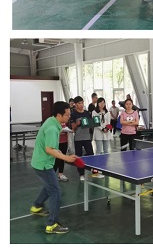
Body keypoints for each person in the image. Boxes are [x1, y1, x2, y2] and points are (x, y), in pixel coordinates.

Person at [30, 101, 78, 234]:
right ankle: (52, 224)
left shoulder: (51, 121)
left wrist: (59, 152)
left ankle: (37, 206)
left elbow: (50, 147)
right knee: (55, 191)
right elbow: (49, 149)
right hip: (43, 164)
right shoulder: (52, 128)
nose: (69, 116)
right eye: (67, 114)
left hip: (40, 162)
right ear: (59, 115)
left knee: (50, 185)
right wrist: (66, 158)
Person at [69, 96, 94, 181]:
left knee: (91, 154)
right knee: (79, 156)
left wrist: (93, 123)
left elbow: (91, 124)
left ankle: (94, 172)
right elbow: (73, 127)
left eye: (82, 103)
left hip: (87, 137)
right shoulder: (73, 114)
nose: (81, 105)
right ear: (75, 104)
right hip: (78, 138)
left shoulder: (87, 113)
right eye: (79, 103)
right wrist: (77, 123)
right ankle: (81, 174)